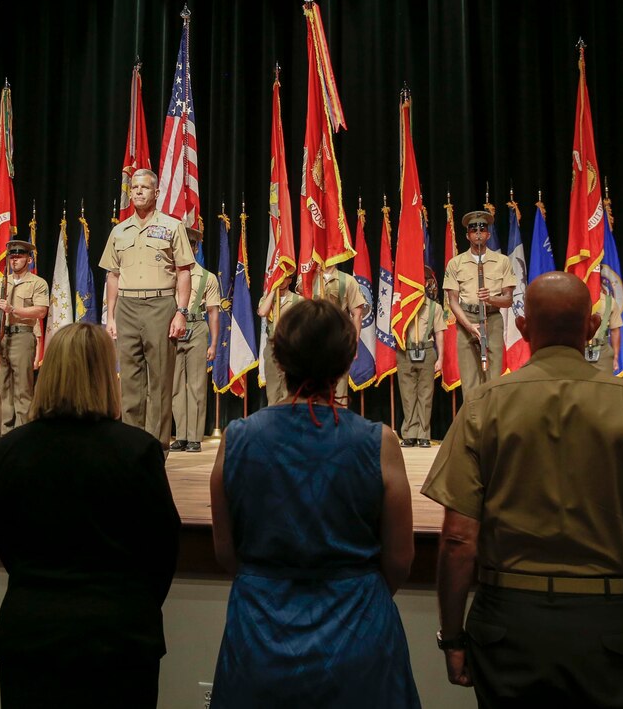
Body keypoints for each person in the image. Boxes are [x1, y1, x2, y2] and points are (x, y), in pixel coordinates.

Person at [422, 272, 623, 708]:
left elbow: (458, 539)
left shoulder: (484, 404)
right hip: (609, 631)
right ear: (592, 327)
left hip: (508, 628)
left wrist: (453, 638)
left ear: (522, 328)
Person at [210, 299, 420, 708]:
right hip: (359, 637)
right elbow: (399, 561)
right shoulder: (379, 442)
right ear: (346, 362)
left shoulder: (237, 437)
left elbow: (225, 552)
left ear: (279, 358)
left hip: (260, 634)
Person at [0, 322, 180, 708]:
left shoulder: (11, 449)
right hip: (119, 633)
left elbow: (4, 538)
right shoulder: (138, 450)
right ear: (105, 374)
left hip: (34, 630)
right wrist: (131, 604)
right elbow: (163, 547)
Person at [99, 168, 195, 450]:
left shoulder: (172, 226)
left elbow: (183, 272)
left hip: (160, 305)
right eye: (134, 188)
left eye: (144, 187)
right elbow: (112, 275)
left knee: (161, 383)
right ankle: (131, 445)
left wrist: (181, 311)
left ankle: (156, 447)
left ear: (156, 192)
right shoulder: (119, 231)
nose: (138, 191)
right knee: (129, 382)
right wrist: (111, 315)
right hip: (127, 307)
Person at [443, 210, 516, 398]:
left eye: (482, 230)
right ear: (467, 235)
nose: (478, 233)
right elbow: (452, 300)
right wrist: (469, 326)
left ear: (488, 235)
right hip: (466, 319)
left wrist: (490, 298)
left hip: (492, 319)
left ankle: (492, 423)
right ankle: (473, 424)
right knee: (470, 383)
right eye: (473, 230)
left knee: (493, 381)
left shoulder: (502, 261)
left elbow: (508, 299)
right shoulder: (455, 263)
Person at [0, 239, 50, 429]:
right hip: (1, 338)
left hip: (22, 336)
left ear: (28, 260)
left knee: (23, 390)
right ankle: (5, 435)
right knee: (2, 389)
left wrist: (14, 310)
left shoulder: (37, 283)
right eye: (11, 257)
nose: (14, 260)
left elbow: (41, 311)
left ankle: (24, 433)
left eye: (19, 256)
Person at [170, 226, 221, 452]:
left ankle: (194, 437)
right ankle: (180, 434)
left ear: (195, 248)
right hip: (173, 330)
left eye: (189, 246)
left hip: (197, 328)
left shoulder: (207, 278)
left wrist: (213, 343)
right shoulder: (169, 275)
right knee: (175, 386)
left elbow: (213, 312)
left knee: (197, 385)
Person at [296, 263, 368, 403]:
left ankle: (337, 423)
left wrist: (354, 344)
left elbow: (357, 315)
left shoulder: (347, 280)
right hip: (313, 342)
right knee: (311, 391)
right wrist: (313, 273)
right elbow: (300, 291)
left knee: (339, 395)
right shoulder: (308, 277)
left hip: (338, 343)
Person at [396, 266, 446, 447]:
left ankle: (424, 434)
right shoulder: (401, 307)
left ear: (425, 283)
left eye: (422, 281)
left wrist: (440, 358)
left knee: (426, 394)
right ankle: (409, 433)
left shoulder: (435, 307)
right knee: (408, 394)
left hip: (426, 352)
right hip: (405, 352)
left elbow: (440, 334)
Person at [256, 273, 303, 405]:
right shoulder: (268, 299)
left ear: (289, 280)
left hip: (291, 347)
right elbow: (262, 312)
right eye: (278, 276)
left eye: (284, 277)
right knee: (272, 391)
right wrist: (272, 290)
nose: (281, 280)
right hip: (272, 346)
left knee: (289, 391)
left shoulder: (298, 300)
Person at [587, 287, 623, 373]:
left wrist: (615, 357)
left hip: (602, 352)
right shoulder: (571, 300)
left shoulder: (609, 302)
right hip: (576, 351)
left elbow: (615, 330)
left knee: (603, 385)